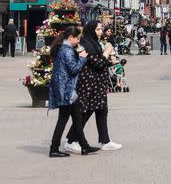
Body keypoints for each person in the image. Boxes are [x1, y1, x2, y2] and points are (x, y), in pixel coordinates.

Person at [65, 20, 123, 152]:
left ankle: (105, 140)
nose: (100, 32)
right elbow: (97, 63)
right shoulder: (85, 44)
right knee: (86, 111)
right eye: (98, 29)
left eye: (101, 29)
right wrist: (107, 51)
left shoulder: (94, 44)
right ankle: (71, 140)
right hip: (89, 85)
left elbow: (102, 62)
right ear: (91, 30)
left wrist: (112, 61)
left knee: (102, 110)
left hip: (98, 83)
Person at [48, 26, 99, 157]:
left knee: (76, 119)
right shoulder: (67, 51)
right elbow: (74, 69)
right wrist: (82, 57)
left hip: (65, 89)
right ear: (70, 38)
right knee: (66, 120)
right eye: (77, 38)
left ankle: (83, 146)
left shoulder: (64, 48)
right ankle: (55, 148)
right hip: (67, 90)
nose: (78, 41)